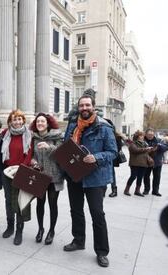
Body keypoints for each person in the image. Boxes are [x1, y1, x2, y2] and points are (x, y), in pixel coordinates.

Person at [63, 94, 117, 268]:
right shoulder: (72, 126)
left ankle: (102, 251)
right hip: (74, 175)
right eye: (81, 106)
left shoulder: (104, 127)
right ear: (78, 108)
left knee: (97, 214)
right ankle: (78, 240)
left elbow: (113, 152)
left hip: (95, 178)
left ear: (93, 106)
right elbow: (66, 147)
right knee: (76, 211)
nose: (84, 108)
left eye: (87, 105)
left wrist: (96, 157)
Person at [29, 113, 63, 245]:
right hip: (40, 176)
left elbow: (61, 154)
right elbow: (31, 155)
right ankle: (40, 229)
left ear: (48, 123)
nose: (40, 124)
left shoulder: (57, 136)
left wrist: (49, 147)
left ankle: (51, 231)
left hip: (55, 176)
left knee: (52, 204)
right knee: (40, 204)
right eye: (38, 122)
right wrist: (33, 162)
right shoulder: (33, 137)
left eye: (42, 121)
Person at [1, 109, 32, 245]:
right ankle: (10, 226)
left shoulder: (29, 135)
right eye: (14, 119)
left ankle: (19, 230)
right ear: (10, 121)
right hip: (7, 172)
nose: (17, 122)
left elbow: (29, 154)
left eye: (20, 119)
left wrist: (21, 169)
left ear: (23, 121)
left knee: (20, 202)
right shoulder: (5, 134)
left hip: (22, 172)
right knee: (8, 200)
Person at [124, 130, 155, 197]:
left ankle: (137, 191)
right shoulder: (133, 144)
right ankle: (126, 190)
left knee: (140, 177)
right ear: (137, 136)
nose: (142, 137)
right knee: (133, 176)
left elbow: (146, 152)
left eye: (143, 135)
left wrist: (152, 150)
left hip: (143, 163)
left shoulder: (145, 143)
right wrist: (146, 149)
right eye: (141, 135)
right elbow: (136, 150)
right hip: (134, 163)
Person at [143, 128, 168, 196]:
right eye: (149, 134)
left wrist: (159, 146)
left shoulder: (159, 140)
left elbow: (166, 148)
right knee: (146, 176)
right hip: (146, 162)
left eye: (152, 134)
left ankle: (155, 191)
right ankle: (146, 189)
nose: (150, 136)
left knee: (157, 177)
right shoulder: (142, 140)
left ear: (154, 134)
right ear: (146, 134)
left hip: (157, 162)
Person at [108, 131, 125, 198]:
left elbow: (118, 148)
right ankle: (103, 189)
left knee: (112, 174)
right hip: (104, 157)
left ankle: (114, 190)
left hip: (111, 158)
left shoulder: (117, 137)